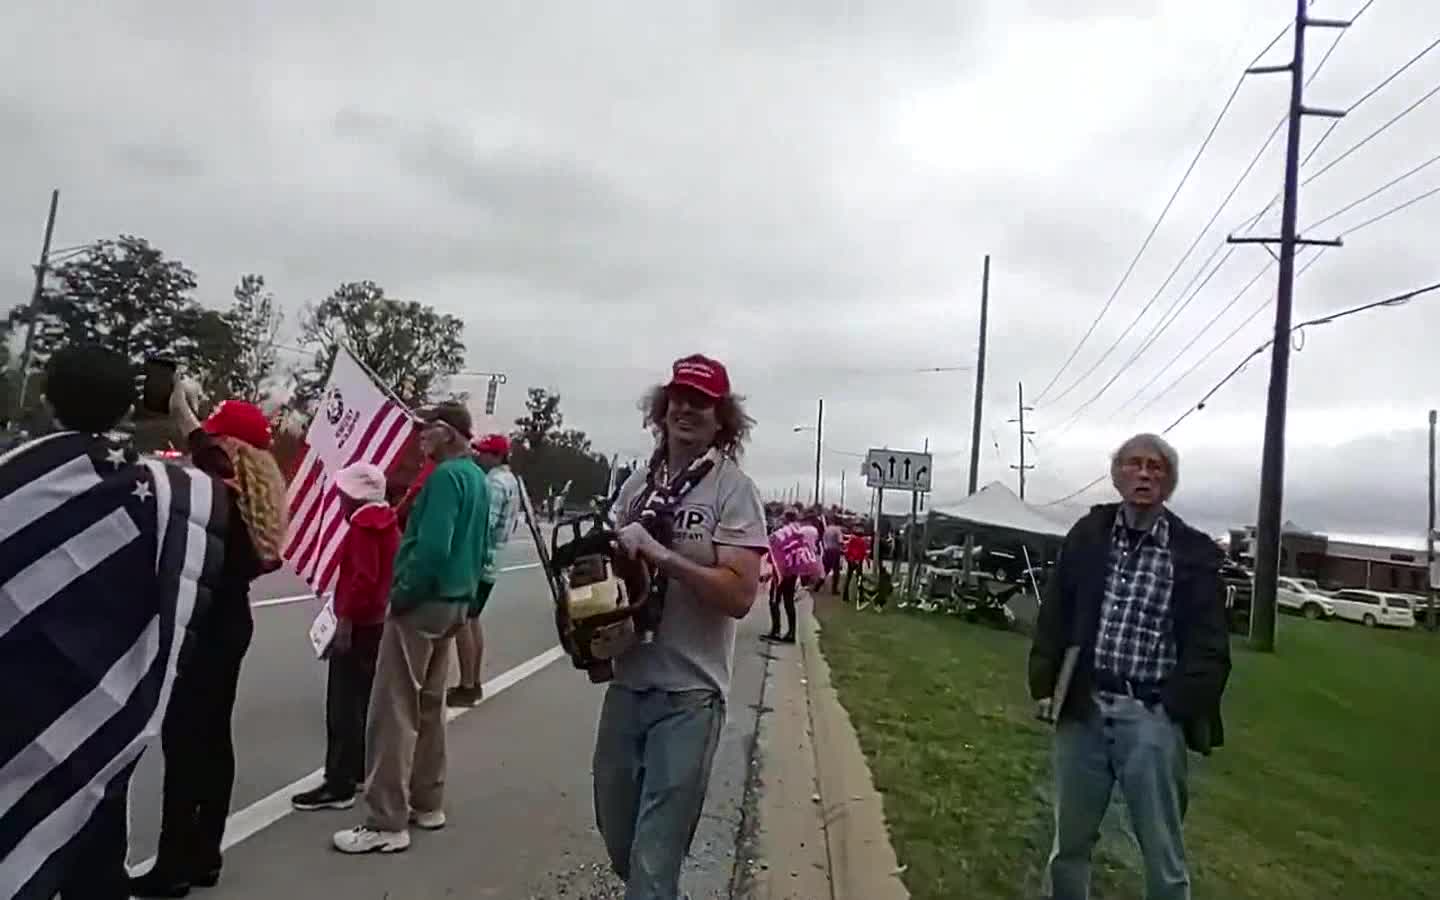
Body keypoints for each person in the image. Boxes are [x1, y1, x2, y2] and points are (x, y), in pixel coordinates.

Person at [1, 347, 227, 900]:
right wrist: (186, 420)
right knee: (94, 844)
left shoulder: (14, 483)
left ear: (49, 399)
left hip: (17, 700)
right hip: (102, 704)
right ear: (127, 407)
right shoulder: (161, 494)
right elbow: (233, 486)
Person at [1028, 434, 1229, 900]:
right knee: (1070, 842)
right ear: (1118, 476)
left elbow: (1211, 645)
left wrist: (1174, 706)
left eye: (1156, 468)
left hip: (1152, 717)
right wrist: (1044, 682)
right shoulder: (1089, 534)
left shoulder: (1192, 552)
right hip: (1085, 710)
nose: (1144, 474)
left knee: (1163, 851)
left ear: (1168, 483)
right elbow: (1056, 613)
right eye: (1134, 465)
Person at [597, 354, 767, 900]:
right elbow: (614, 574)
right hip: (627, 684)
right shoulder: (637, 486)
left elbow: (740, 595)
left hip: (690, 695)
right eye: (679, 398)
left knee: (653, 860)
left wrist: (664, 558)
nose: (686, 409)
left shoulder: (732, 490)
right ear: (661, 408)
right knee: (620, 839)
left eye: (702, 401)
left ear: (722, 419)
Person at [130, 384, 289, 897]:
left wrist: (188, 419)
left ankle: (174, 862)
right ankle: (205, 853)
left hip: (203, 623)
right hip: (231, 621)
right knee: (214, 738)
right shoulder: (251, 499)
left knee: (184, 742)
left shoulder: (223, 492)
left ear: (231, 449)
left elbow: (211, 461)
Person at [333, 403, 490, 855]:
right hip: (455, 603)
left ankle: (386, 819)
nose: (420, 436)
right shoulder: (476, 477)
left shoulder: (443, 478)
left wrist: (400, 594)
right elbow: (479, 546)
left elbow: (433, 548)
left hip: (422, 602)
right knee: (430, 708)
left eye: (428, 429)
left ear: (450, 434)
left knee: (393, 711)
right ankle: (427, 802)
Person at [292, 462, 401, 811]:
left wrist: (345, 621)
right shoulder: (387, 523)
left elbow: (362, 579)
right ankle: (356, 770)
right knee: (362, 699)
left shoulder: (363, 527)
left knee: (342, 704)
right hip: (377, 622)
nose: (338, 499)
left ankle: (338, 781)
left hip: (360, 622)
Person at [448, 433, 519, 707]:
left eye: (485, 453)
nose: (479, 456)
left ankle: (467, 684)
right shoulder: (511, 481)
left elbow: (483, 524)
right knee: (473, 619)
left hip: (480, 558)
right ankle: (473, 681)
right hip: (493, 559)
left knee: (463, 620)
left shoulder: (494, 484)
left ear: (498, 456)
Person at [843, 528, 870, 603]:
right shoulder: (862, 541)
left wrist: (848, 559)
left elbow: (848, 551)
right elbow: (864, 552)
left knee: (848, 579)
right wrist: (868, 562)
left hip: (851, 561)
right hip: (858, 561)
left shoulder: (852, 540)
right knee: (859, 579)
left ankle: (845, 596)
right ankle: (860, 596)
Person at [821, 518, 844, 593]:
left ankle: (817, 585)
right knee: (836, 570)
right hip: (835, 550)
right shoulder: (837, 530)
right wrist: (842, 550)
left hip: (827, 550)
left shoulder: (827, 530)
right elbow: (840, 541)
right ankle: (834, 589)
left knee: (826, 569)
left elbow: (823, 539)